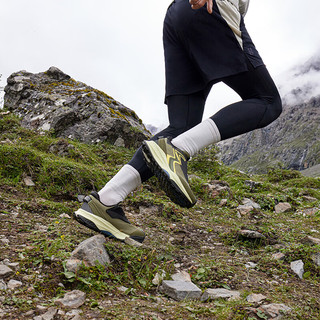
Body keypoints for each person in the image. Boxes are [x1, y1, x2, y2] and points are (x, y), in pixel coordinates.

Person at [74, 0, 282, 243]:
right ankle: (177, 150)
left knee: (182, 127)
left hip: (179, 16)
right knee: (268, 101)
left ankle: (105, 201)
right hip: (211, 10)